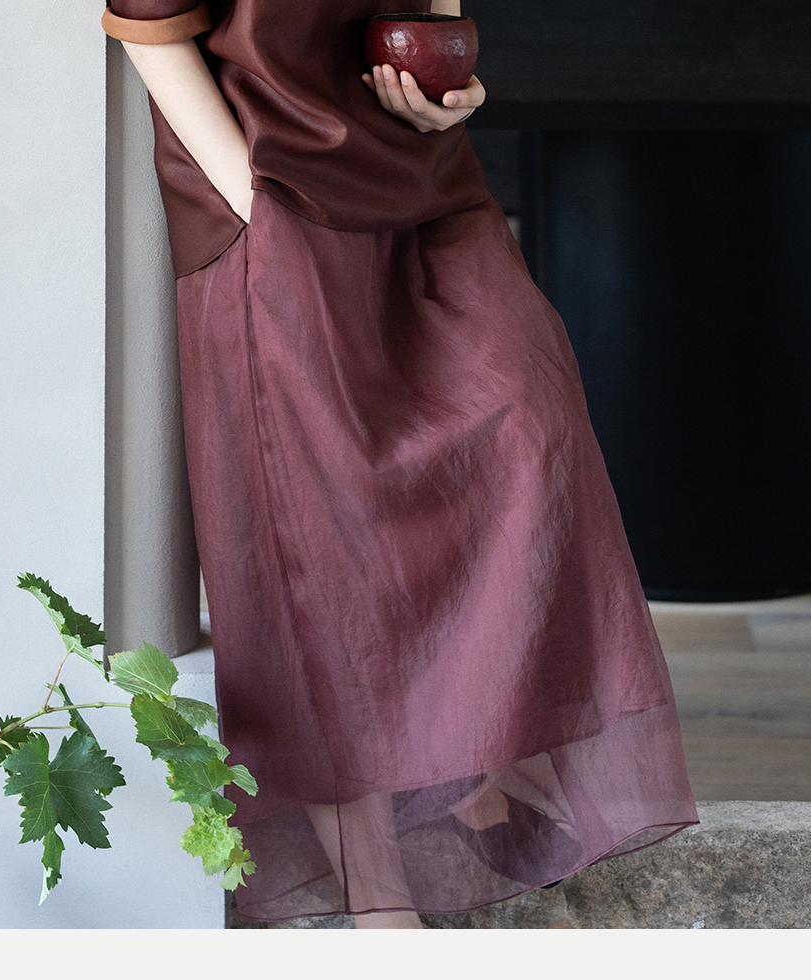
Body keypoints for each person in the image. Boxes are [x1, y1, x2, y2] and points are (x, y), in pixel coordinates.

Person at [102, 1, 699, 928]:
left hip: (419, 168)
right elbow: (152, 28)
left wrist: (448, 86)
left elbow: (429, 12)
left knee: (530, 422)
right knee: (321, 542)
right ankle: (379, 906)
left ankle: (470, 765)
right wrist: (255, 200)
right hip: (271, 190)